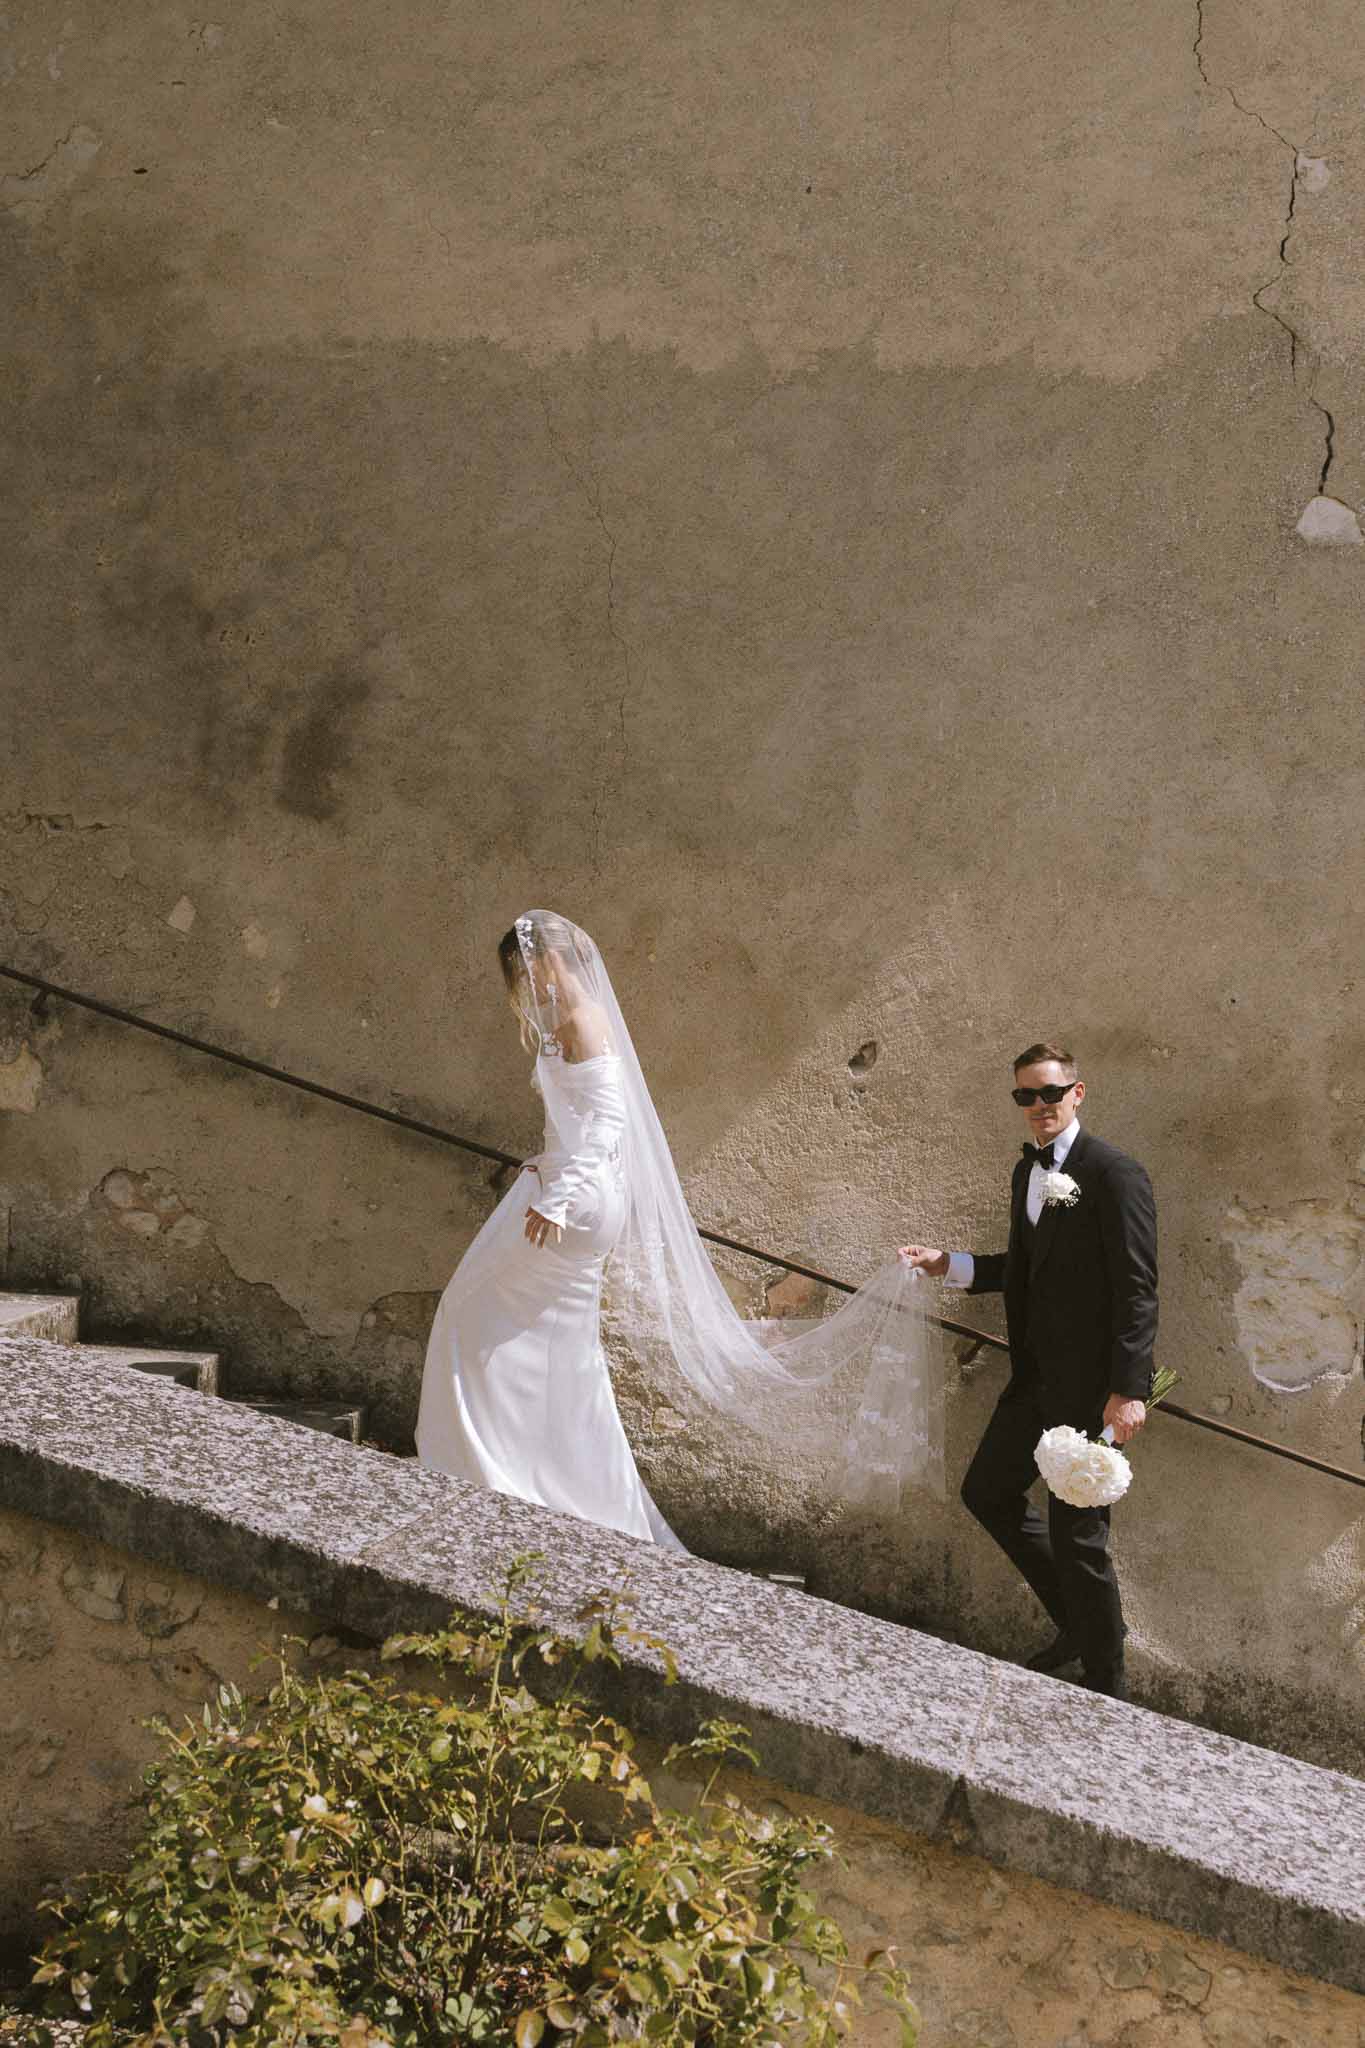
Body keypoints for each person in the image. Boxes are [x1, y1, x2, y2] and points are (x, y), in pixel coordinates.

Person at [418, 911, 943, 1544]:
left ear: (553, 959)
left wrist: (558, 1195)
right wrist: (548, 1164)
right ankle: (545, 1487)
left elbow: (609, 1123)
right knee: (556, 1347)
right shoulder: (567, 1021)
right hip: (567, 1187)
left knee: (466, 1314)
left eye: (529, 966)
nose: (526, 980)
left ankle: (491, 1471)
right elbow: (580, 1121)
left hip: (573, 1202)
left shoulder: (582, 1020)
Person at [901, 1042, 1157, 1699]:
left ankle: (1107, 1681)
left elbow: (1136, 1289)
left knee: (1080, 1537)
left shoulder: (1114, 1175)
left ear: (1077, 1093)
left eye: (1050, 1093)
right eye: (1025, 1096)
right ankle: (1080, 1626)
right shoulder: (1028, 1174)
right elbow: (1027, 1266)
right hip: (1034, 1381)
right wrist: (948, 1265)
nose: (1038, 1106)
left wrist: (1129, 1390)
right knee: (987, 1491)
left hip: (1093, 1391)